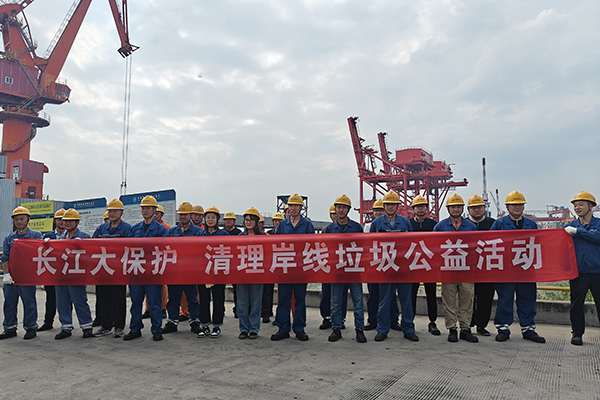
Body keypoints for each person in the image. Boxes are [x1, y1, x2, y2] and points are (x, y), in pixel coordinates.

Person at [491, 191, 545, 343]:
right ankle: (503, 329)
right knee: (505, 299)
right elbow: (491, 244)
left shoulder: (531, 224)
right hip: (506, 270)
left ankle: (528, 329)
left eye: (520, 204)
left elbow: (538, 245)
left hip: (526, 269)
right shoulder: (499, 224)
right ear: (507, 207)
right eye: (514, 205)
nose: (517, 207)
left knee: (527, 299)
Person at [370, 190, 418, 342]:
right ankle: (383, 329)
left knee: (406, 301)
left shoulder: (405, 223)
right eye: (388, 204)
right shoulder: (376, 223)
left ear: (398, 206)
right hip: (385, 268)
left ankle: (408, 328)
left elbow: (411, 245)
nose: (390, 207)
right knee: (384, 301)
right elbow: (371, 246)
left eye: (393, 204)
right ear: (384, 206)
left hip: (403, 269)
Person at [433, 195, 478, 343]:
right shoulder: (440, 227)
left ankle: (465, 329)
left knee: (467, 301)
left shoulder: (471, 227)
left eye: (459, 206)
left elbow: (476, 248)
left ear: (463, 208)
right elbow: (434, 248)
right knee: (449, 301)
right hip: (448, 271)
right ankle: (452, 328)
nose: (456, 209)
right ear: (448, 209)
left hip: (467, 271)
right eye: (453, 206)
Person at [323, 195, 367, 343]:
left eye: (344, 207)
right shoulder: (329, 229)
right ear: (335, 209)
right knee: (335, 302)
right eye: (339, 207)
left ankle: (359, 330)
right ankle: (336, 329)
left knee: (358, 302)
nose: (341, 210)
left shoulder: (356, 228)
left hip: (354, 271)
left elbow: (363, 248)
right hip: (337, 272)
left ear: (348, 209)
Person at [271, 193, 315, 342]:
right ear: (288, 207)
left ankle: (299, 329)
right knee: (283, 299)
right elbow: (276, 246)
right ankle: (283, 328)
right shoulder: (282, 225)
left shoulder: (307, 225)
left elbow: (311, 247)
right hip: (285, 268)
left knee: (300, 299)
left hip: (300, 269)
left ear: (301, 207)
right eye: (291, 205)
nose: (293, 208)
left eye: (296, 205)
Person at [124, 195, 168, 342]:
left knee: (154, 303)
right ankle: (135, 329)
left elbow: (165, 249)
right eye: (143, 208)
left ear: (155, 210)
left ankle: (156, 329)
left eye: (148, 208)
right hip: (137, 272)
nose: (145, 211)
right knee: (136, 303)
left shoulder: (161, 230)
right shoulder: (135, 229)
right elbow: (128, 249)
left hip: (153, 273)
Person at [0, 206, 42, 340]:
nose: (19, 222)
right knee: (9, 302)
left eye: (22, 219)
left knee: (29, 302)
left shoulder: (36, 236)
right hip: (12, 276)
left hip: (27, 276)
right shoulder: (9, 238)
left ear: (28, 219)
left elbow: (40, 254)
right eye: (16, 219)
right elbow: (5, 257)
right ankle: (10, 328)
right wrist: (6, 274)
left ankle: (31, 327)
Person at [92, 199, 132, 338]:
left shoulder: (127, 229)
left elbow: (130, 248)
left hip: (119, 271)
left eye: (115, 211)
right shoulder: (101, 229)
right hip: (103, 270)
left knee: (119, 299)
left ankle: (119, 327)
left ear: (121, 212)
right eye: (110, 211)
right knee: (103, 299)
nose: (112, 213)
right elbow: (92, 245)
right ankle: (106, 326)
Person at [565, 191, 600, 346]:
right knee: (576, 305)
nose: (577, 207)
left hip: (598, 271)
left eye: (581, 204)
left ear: (591, 206)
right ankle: (577, 333)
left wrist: (579, 232)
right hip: (578, 272)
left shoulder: (598, 224)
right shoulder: (569, 227)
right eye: (575, 205)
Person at [162, 202, 203, 335]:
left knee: (192, 298)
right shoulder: (172, 232)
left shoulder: (198, 232)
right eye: (180, 214)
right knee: (173, 298)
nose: (183, 217)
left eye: (185, 214)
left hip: (190, 272)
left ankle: (194, 321)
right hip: (175, 272)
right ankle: (172, 322)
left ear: (191, 215)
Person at [54, 209, 94, 340]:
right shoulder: (59, 239)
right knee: (62, 302)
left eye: (71, 221)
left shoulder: (84, 237)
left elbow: (90, 255)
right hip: (62, 275)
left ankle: (87, 326)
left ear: (77, 222)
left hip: (77, 275)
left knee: (79, 301)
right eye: (66, 221)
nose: (68, 223)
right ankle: (66, 327)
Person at [363, 199, 400, 331]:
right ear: (372, 212)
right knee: (373, 294)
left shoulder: (391, 225)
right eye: (376, 210)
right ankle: (373, 320)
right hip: (374, 264)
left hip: (389, 263)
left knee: (391, 295)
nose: (378, 213)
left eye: (380, 210)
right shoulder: (368, 227)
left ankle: (393, 320)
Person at [409, 195, 440, 336]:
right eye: (418, 206)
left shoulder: (433, 225)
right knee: (411, 295)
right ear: (413, 209)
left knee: (431, 294)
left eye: (423, 206)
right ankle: (410, 321)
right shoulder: (408, 224)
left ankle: (432, 322)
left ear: (427, 208)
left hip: (429, 265)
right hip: (413, 265)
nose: (420, 209)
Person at [197, 206, 230, 339]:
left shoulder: (224, 235)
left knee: (218, 299)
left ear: (217, 219)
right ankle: (204, 325)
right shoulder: (200, 234)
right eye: (208, 218)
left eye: (213, 217)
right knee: (203, 299)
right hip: (203, 272)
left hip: (218, 271)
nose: (210, 220)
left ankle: (217, 326)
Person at [466, 194, 496, 336]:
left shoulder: (493, 224)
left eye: (479, 207)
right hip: (468, 268)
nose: (476, 210)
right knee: (467, 298)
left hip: (487, 268)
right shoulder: (464, 224)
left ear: (484, 208)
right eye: (473, 208)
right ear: (468, 210)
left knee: (485, 298)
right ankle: (467, 324)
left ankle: (482, 325)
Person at [319, 203, 348, 331]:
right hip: (329, 266)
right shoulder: (327, 229)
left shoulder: (350, 227)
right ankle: (327, 318)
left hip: (343, 266)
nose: (335, 216)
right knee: (326, 292)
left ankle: (340, 319)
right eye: (333, 214)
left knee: (342, 294)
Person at [237, 207, 265, 339]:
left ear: (257, 222)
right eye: (246, 220)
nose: (248, 222)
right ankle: (244, 329)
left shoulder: (264, 237)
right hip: (242, 274)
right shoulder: (239, 237)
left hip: (257, 273)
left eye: (251, 220)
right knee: (242, 303)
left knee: (256, 303)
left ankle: (254, 328)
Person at [38, 208, 66, 332]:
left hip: (66, 271)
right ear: (54, 221)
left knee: (67, 299)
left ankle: (66, 324)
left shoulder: (71, 236)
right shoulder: (48, 236)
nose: (61, 221)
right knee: (50, 299)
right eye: (58, 219)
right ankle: (48, 322)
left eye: (63, 219)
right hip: (51, 271)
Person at [262, 212, 284, 322]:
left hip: (282, 263)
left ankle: (281, 315)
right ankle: (267, 312)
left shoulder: (285, 233)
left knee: (282, 291)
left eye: (279, 221)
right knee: (267, 289)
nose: (277, 223)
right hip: (270, 264)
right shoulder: (268, 234)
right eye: (275, 221)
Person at [223, 211, 242, 319]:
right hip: (222, 263)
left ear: (234, 221)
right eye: (226, 219)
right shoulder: (221, 233)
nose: (228, 221)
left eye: (230, 219)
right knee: (220, 289)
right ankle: (221, 310)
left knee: (237, 289)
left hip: (234, 264)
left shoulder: (238, 233)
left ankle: (237, 309)